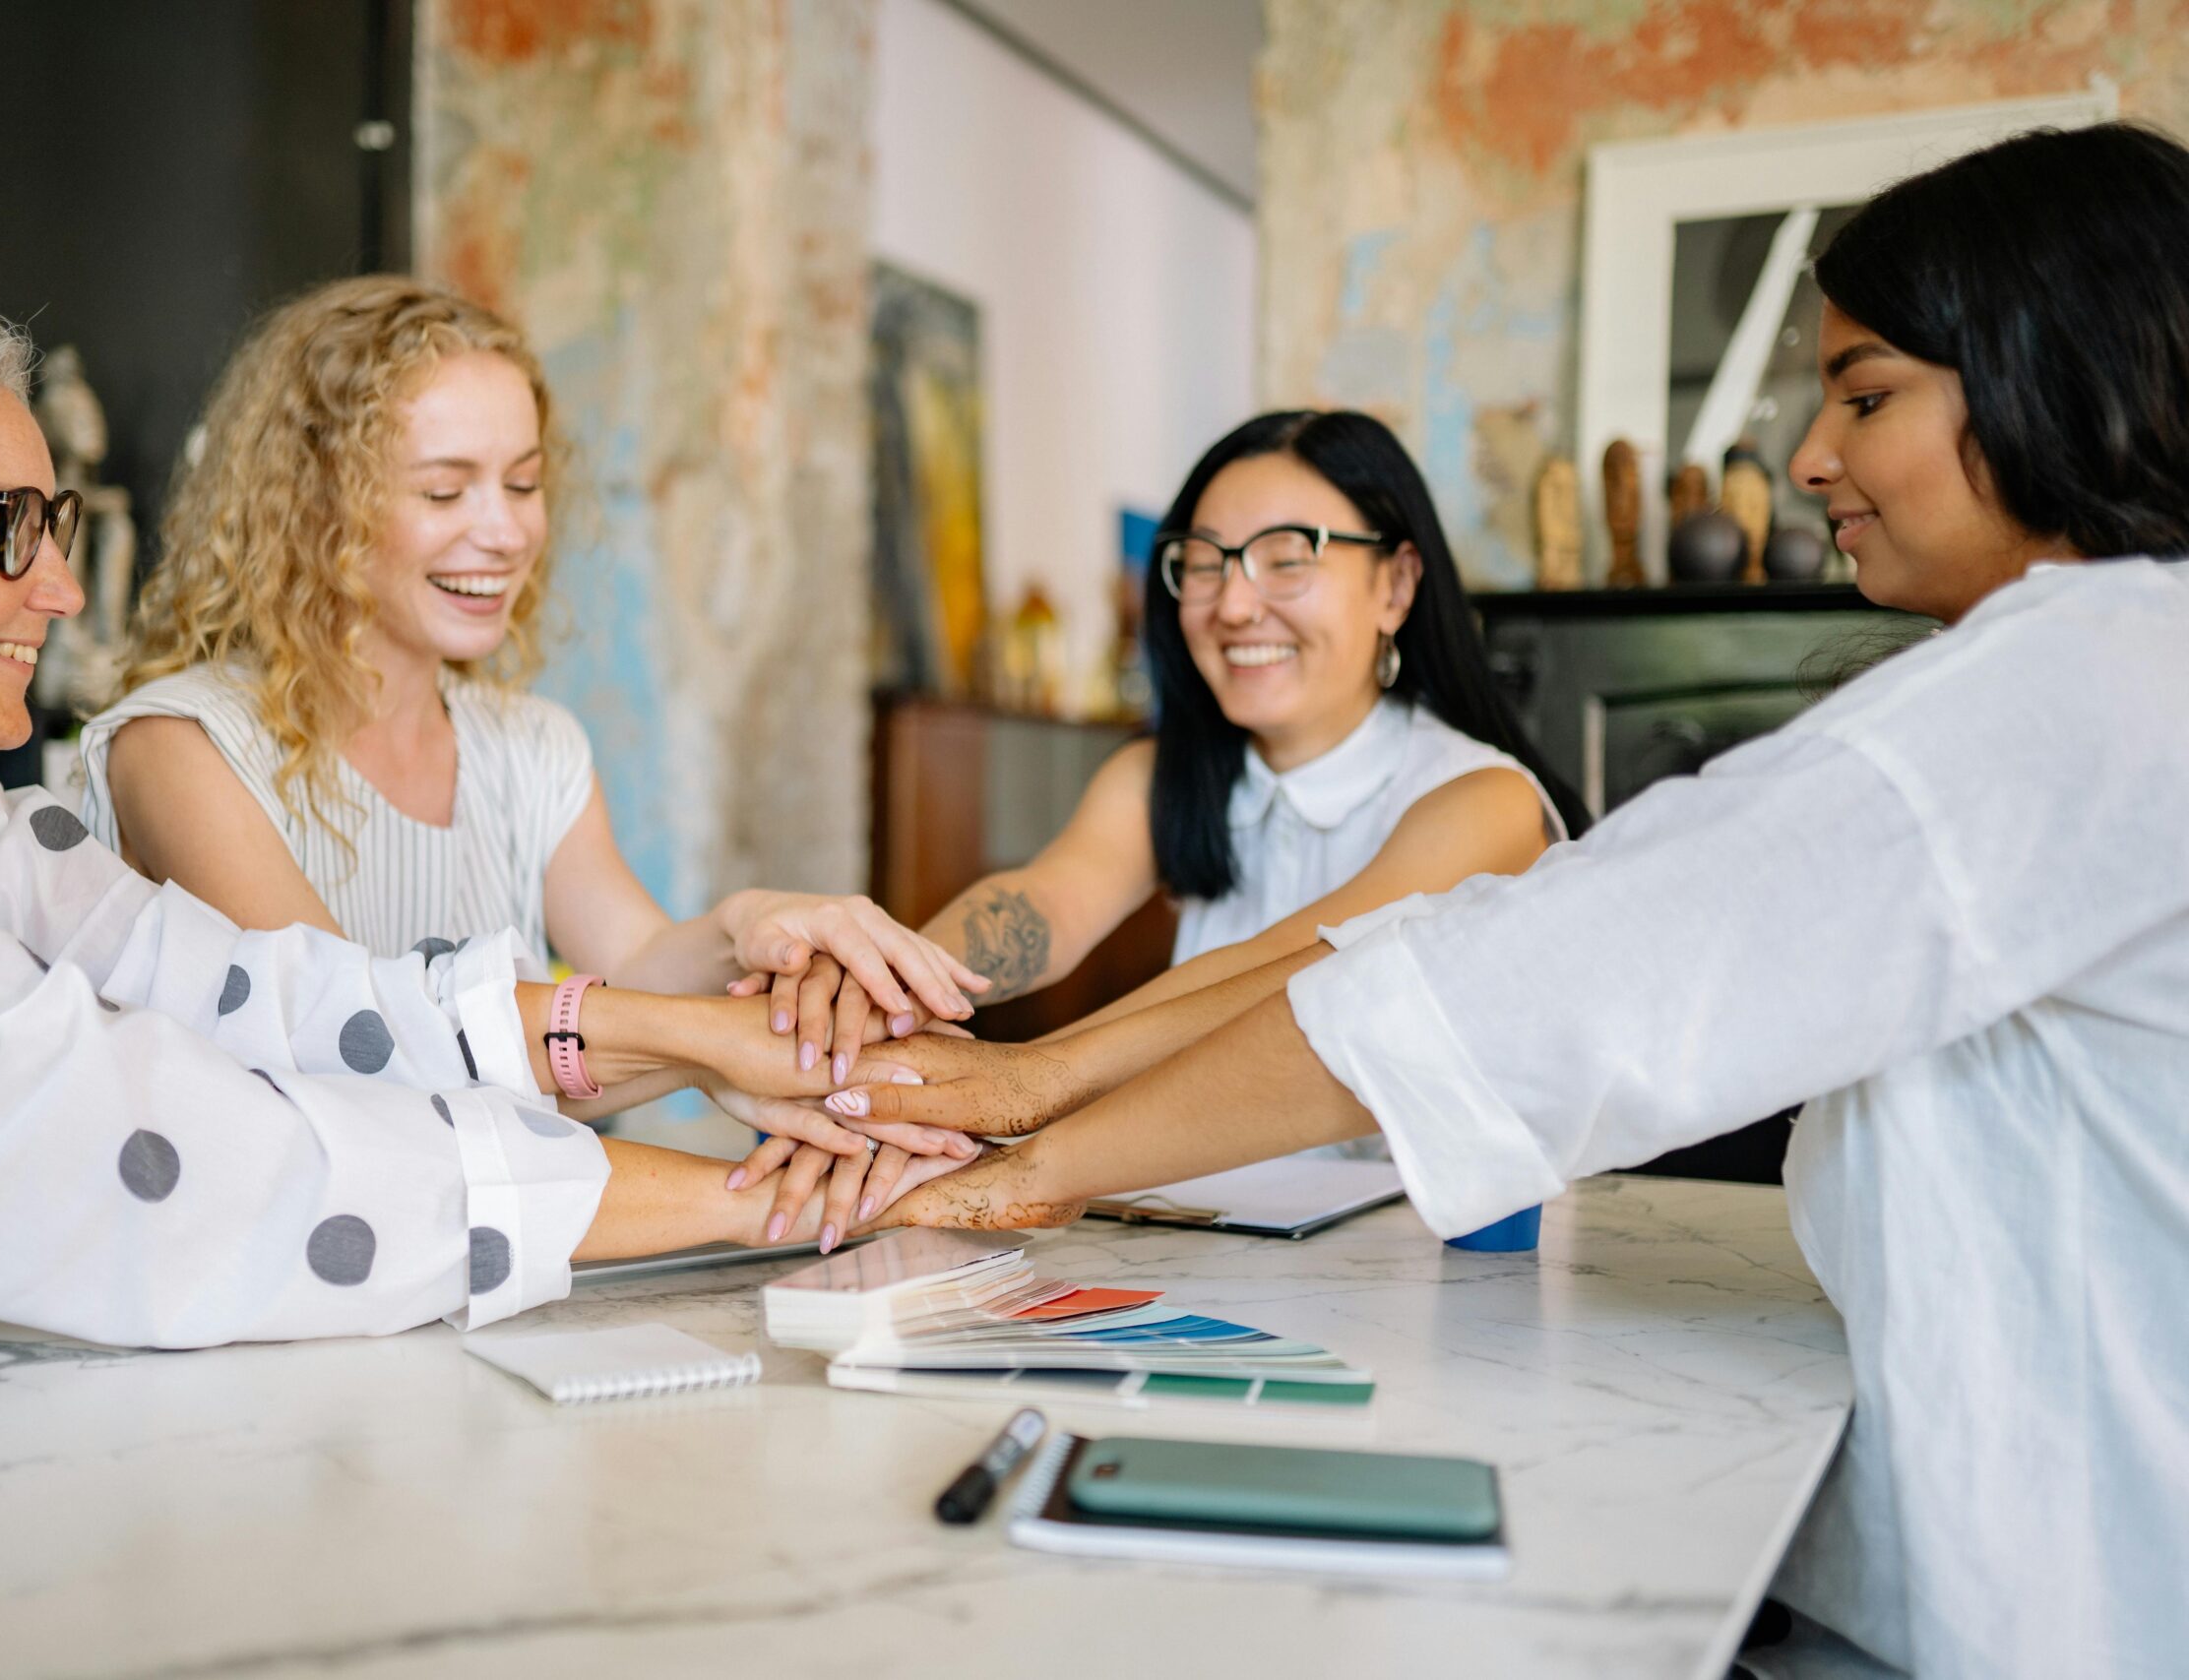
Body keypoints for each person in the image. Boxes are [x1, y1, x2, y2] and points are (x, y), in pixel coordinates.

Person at [867, 123, 2189, 1678]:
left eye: (1869, 394)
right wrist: (856, 1005)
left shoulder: (2076, 684)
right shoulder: (1165, 776)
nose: (1812, 454)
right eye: (1204, 561)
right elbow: (1030, 913)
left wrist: (1033, 1133)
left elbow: (1490, 982)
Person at [0, 285, 961, 1349]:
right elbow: (216, 1150)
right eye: (7, 528)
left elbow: (285, 994)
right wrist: (761, 1191)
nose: (62, 588)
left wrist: (724, 1012)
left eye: (53, 523)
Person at [74, 277, 979, 1242]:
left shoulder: (532, 746)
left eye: (522, 481)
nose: (503, 531)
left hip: (486, 1287)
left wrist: (751, 933)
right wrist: (720, 1050)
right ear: (309, 505)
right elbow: (355, 1054)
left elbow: (632, 963)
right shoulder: (179, 748)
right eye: (443, 488)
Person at [916, 409, 1585, 1028]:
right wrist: (885, 978)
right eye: (1205, 563)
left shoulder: (1485, 800)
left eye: (1288, 559)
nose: (1233, 606)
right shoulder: (1162, 773)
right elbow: (1046, 904)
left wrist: (1010, 1084)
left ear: (1396, 586)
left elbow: (1277, 975)